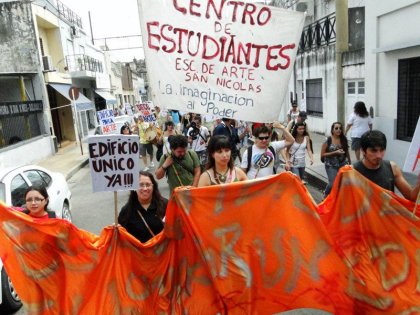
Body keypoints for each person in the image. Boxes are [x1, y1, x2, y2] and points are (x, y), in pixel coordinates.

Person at [353, 130, 420, 201]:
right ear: (363, 150)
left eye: (382, 150)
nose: (379, 155)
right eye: (373, 151)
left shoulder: (392, 168)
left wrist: (419, 184)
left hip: (388, 211)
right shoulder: (352, 171)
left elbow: (411, 196)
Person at [118, 171, 168, 243]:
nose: (145, 189)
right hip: (138, 253)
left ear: (153, 186)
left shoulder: (165, 205)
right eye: (141, 185)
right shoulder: (126, 211)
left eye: (148, 185)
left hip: (163, 252)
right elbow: (122, 239)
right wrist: (116, 230)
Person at [321, 122, 351, 197]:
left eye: (340, 128)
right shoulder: (328, 140)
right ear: (332, 130)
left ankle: (336, 200)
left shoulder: (344, 139)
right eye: (336, 128)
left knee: (342, 184)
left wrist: (350, 163)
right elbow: (322, 155)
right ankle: (326, 194)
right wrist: (335, 153)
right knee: (332, 184)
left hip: (342, 164)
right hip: (330, 165)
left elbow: (347, 151)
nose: (339, 130)